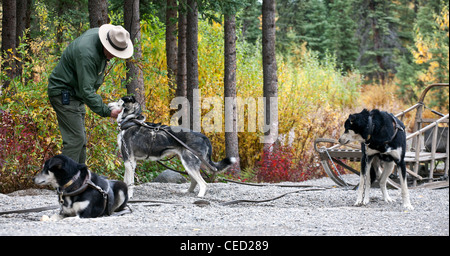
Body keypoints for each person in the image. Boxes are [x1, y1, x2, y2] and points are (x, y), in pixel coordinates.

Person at [47, 24, 134, 164]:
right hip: (64, 93)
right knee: (75, 139)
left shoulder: (102, 39)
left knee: (80, 139)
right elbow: (87, 91)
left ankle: (80, 178)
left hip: (75, 94)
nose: (113, 57)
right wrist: (107, 111)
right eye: (113, 52)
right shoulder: (87, 54)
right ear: (106, 44)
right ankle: (65, 182)